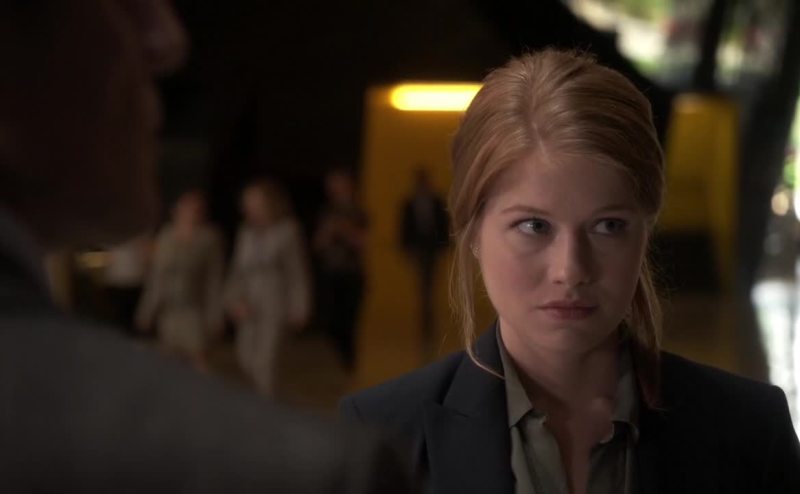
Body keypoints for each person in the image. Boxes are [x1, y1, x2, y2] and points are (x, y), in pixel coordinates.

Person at [340, 49, 800, 493]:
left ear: (646, 231)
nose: (571, 270)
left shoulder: (750, 430)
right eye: (533, 226)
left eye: (608, 226)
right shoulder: (381, 435)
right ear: (472, 230)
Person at [0, 1, 414, 492]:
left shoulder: (263, 235)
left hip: (262, 305)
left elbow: (267, 270)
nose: (166, 41)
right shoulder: (302, 472)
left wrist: (277, 302)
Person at [225, 178, 311, 395]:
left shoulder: (288, 231)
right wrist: (233, 300)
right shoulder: (245, 233)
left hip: (275, 301)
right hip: (248, 302)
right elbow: (237, 271)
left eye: (255, 202)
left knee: (266, 362)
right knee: (245, 357)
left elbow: (296, 273)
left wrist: (300, 307)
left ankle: (266, 407)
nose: (250, 207)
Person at [136, 189, 224, 367]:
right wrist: (147, 310)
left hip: (194, 310)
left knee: (199, 357)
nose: (190, 213)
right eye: (186, 208)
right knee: (170, 361)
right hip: (169, 310)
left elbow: (214, 280)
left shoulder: (209, 238)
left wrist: (215, 315)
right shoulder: (166, 236)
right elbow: (157, 278)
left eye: (196, 209)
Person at [314, 169, 368, 371]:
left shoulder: (358, 211)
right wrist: (327, 232)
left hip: (351, 273)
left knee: (348, 321)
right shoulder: (326, 212)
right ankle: (338, 360)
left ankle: (348, 363)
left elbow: (362, 243)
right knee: (330, 322)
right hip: (330, 272)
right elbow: (318, 244)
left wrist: (344, 230)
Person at [400, 167, 449, 361]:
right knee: (423, 287)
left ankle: (428, 321)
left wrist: (444, 247)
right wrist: (407, 248)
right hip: (418, 250)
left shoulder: (437, 202)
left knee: (429, 286)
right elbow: (404, 227)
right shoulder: (409, 203)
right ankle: (425, 321)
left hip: (433, 250)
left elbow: (444, 225)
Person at [103, 234, 152, 335]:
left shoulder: (140, 232)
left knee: (127, 319)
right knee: (122, 319)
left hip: (133, 280)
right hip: (121, 280)